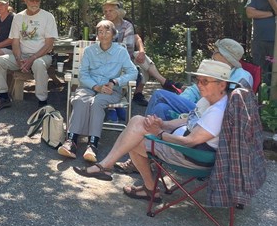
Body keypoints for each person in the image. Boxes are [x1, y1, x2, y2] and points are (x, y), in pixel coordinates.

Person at [73, 60, 236, 203]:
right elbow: (188, 120)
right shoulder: (209, 99)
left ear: (222, 85)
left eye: (205, 81)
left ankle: (128, 178)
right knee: (137, 122)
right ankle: (110, 169)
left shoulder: (217, 112)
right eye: (198, 80)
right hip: (182, 145)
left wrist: (159, 134)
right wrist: (162, 124)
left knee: (133, 138)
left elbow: (191, 141)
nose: (200, 84)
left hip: (190, 155)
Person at [114, 38, 253, 174]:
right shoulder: (215, 67)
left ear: (224, 56)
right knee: (161, 108)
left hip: (204, 114)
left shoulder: (241, 77)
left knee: (159, 95)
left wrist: (178, 107)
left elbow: (227, 104)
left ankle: (144, 148)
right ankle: (149, 153)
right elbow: (194, 90)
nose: (213, 54)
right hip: (197, 110)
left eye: (216, 51)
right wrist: (177, 101)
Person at [57, 20, 138, 162]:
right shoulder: (89, 51)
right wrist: (95, 87)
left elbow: (133, 72)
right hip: (90, 87)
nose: (103, 34)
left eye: (107, 31)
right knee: (80, 99)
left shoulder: (121, 51)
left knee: (98, 102)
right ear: (97, 35)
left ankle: (92, 145)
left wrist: (115, 82)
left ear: (113, 34)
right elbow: (83, 74)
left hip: (111, 90)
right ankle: (71, 142)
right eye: (100, 31)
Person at [0, 0, 58, 111]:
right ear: (25, 0)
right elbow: (15, 41)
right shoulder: (18, 17)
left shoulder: (48, 17)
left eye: (37, 0)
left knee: (38, 64)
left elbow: (49, 44)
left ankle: (42, 102)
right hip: (22, 55)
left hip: (42, 56)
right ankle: (3, 97)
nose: (34, 3)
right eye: (31, 0)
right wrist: (18, 58)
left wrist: (32, 58)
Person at [102, 0, 153, 106]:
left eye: (111, 10)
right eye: (105, 11)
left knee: (142, 59)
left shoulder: (126, 25)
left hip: (123, 60)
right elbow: (100, 45)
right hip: (106, 61)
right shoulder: (103, 25)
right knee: (142, 62)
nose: (107, 13)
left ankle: (130, 95)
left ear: (118, 12)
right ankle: (163, 82)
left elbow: (128, 47)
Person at [245, 0, 277, 86]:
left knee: (274, 68)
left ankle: (273, 99)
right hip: (259, 41)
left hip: (275, 42)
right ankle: (260, 97)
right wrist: (271, 13)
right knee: (259, 69)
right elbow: (250, 13)